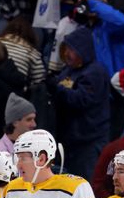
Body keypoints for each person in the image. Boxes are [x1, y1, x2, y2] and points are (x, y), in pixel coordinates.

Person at [46, 27, 111, 180]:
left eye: (71, 50)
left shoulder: (95, 72)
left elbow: (81, 100)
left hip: (89, 141)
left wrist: (57, 89)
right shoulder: (68, 70)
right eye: (66, 49)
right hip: (70, 142)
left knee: (87, 184)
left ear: (83, 50)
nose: (67, 54)